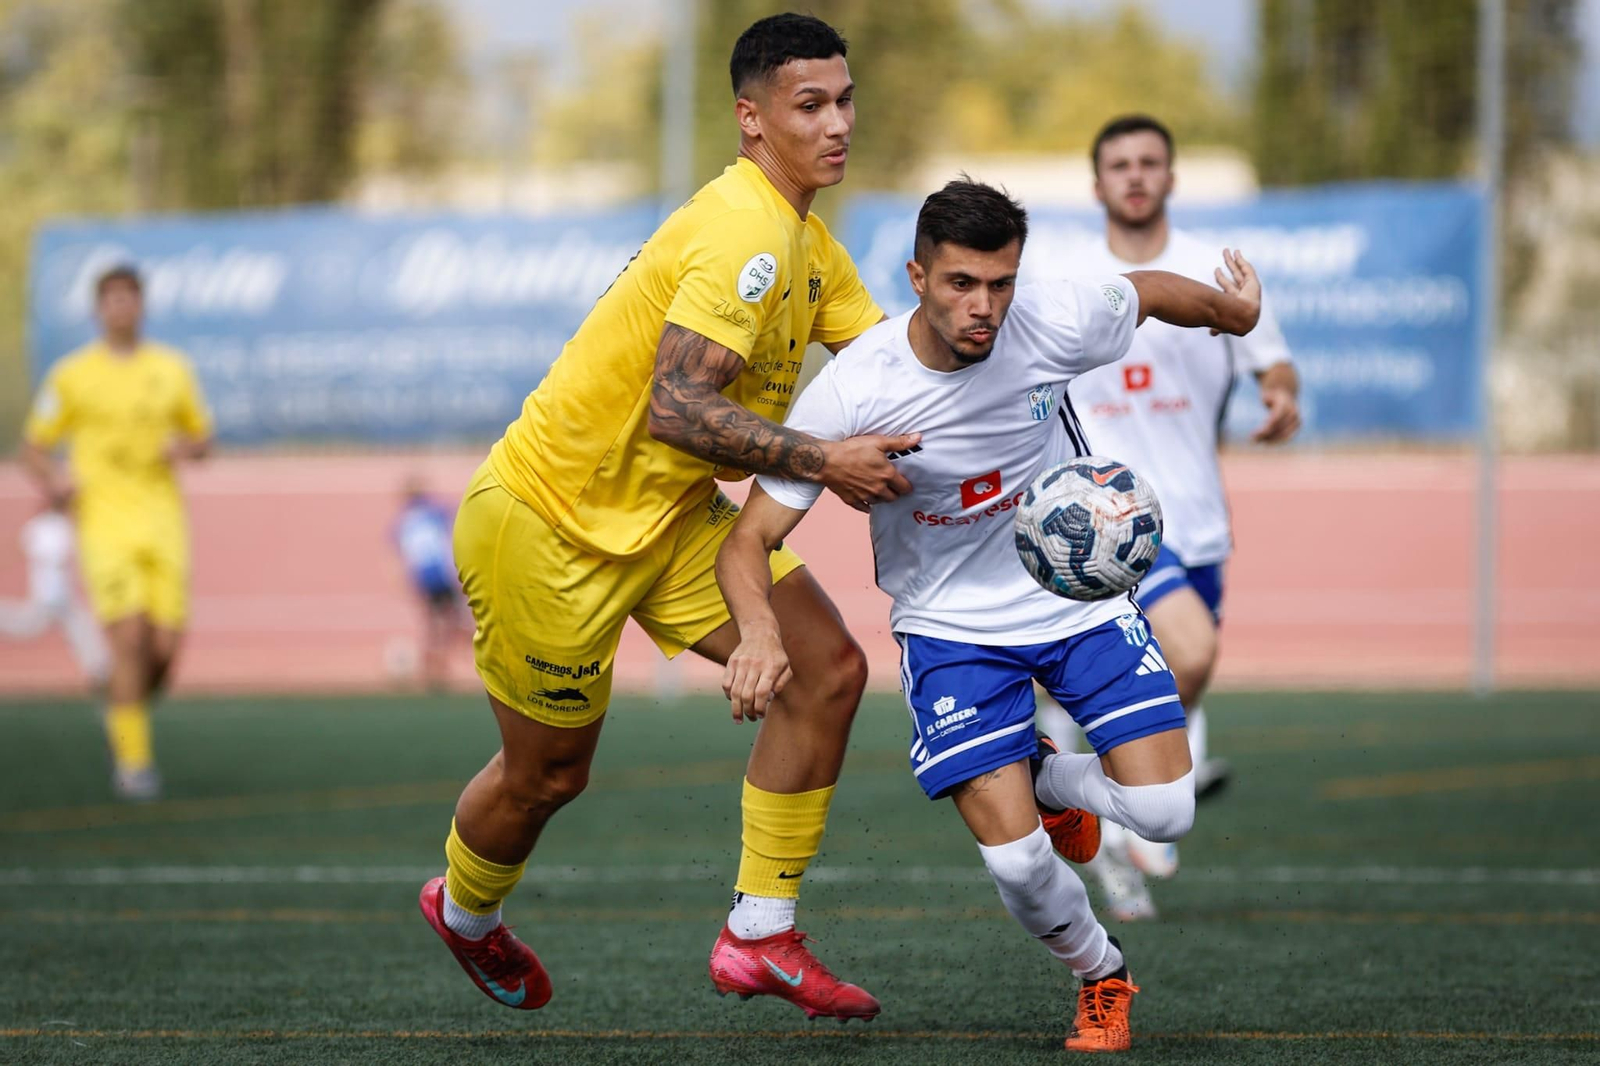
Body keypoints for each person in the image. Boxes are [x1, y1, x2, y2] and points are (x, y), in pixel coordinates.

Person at [419, 13, 918, 1021]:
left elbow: (900, 371)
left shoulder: (810, 245)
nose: (836, 124)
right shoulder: (744, 233)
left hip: (668, 519)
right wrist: (824, 458)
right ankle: (465, 915)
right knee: (549, 776)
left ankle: (760, 934)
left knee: (825, 671)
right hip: (548, 526)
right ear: (751, 119)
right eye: (808, 104)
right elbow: (678, 407)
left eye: (845, 99)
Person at [715, 180, 1262, 1052]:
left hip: (1074, 601)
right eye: (961, 283)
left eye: (1000, 283)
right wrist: (758, 631)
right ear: (918, 276)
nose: (983, 306)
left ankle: (1049, 779)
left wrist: (1228, 318)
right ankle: (1101, 973)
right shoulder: (853, 393)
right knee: (1015, 861)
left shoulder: (1052, 320)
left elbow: (1150, 291)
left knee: (1165, 813)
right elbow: (747, 542)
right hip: (949, 628)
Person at [1060, 114, 1300, 917]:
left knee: (1190, 666)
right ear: (1097, 184)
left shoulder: (1215, 269)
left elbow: (1274, 359)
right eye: (1119, 164)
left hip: (1199, 519)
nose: (1134, 175)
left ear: (1170, 175)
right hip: (1111, 521)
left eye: (1149, 162)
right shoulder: (1069, 279)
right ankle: (1116, 793)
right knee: (1189, 652)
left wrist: (1281, 398)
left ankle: (1091, 786)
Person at [20, 264, 213, 801]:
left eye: (130, 298)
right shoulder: (71, 375)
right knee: (128, 638)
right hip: (104, 522)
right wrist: (55, 481)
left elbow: (203, 439)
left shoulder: (171, 369)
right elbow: (33, 448)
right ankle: (134, 762)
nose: (121, 308)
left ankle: (120, 715)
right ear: (98, 310)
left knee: (164, 653)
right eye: (112, 299)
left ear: (141, 307)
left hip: (164, 523)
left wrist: (185, 448)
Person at [0, 502, 111, 689]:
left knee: (83, 631)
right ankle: (102, 672)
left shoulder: (59, 526)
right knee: (24, 624)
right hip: (47, 597)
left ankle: (101, 673)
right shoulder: (50, 527)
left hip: (64, 598)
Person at [392, 477, 470, 689]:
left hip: (423, 577)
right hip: (441, 574)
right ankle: (439, 664)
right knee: (454, 620)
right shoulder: (436, 511)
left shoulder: (403, 520)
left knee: (436, 623)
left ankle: (435, 666)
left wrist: (405, 582)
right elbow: (454, 532)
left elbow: (401, 554)